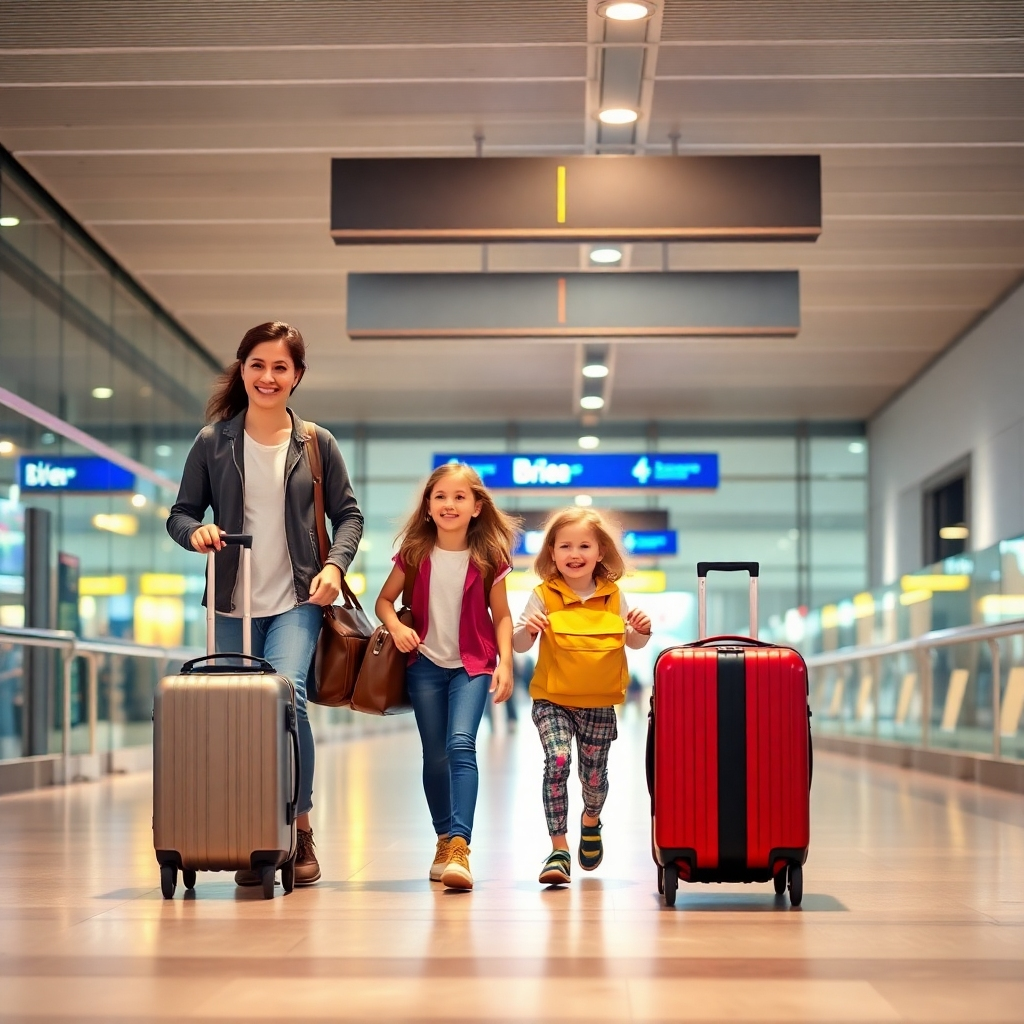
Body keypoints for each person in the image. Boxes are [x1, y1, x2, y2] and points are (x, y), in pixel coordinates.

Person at [167, 321, 363, 886]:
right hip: (232, 601)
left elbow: (348, 515)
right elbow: (180, 514)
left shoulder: (315, 443)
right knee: (239, 715)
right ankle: (252, 831)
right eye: (258, 365)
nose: (268, 377)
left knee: (287, 695)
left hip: (297, 597)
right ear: (243, 369)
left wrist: (334, 566)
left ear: (297, 376)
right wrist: (195, 534)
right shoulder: (213, 442)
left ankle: (299, 828)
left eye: (281, 367)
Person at [374, 463, 516, 890]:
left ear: (476, 507)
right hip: (425, 665)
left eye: (459, 497)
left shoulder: (490, 557)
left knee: (460, 744)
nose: (449, 504)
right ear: (428, 506)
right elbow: (384, 600)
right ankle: (442, 838)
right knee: (434, 753)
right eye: (440, 497)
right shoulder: (415, 553)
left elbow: (503, 615)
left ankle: (460, 845)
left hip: (473, 665)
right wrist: (397, 628)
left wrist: (505, 662)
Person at [513, 507, 651, 886]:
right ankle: (559, 849)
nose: (575, 554)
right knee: (557, 760)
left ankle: (591, 820)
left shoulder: (613, 596)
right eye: (565, 546)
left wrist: (642, 630)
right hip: (551, 699)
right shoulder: (543, 595)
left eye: (584, 545)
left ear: (600, 552)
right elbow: (519, 645)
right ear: (552, 553)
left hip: (598, 701)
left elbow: (634, 643)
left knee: (593, 779)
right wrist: (529, 628)